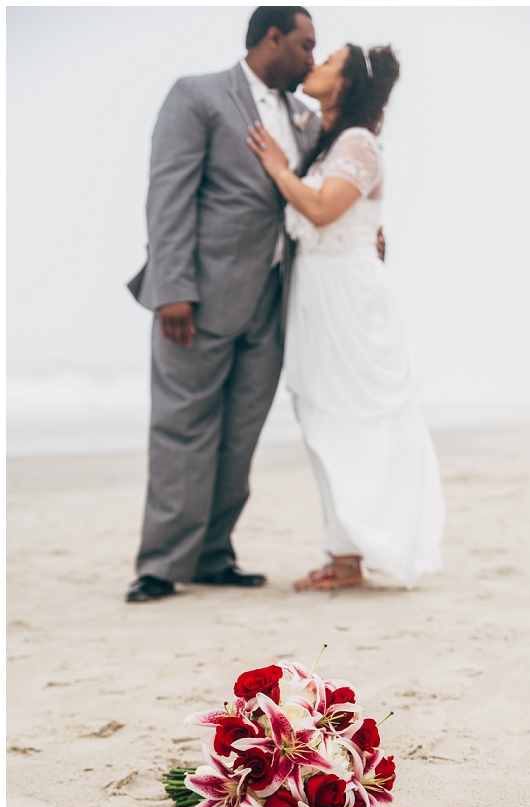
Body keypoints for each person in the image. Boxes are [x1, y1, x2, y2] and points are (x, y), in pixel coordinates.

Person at [125, 8, 321, 602]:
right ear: (272, 37)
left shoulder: (307, 121)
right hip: (199, 299)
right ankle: (161, 564)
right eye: (306, 44)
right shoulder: (198, 96)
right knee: (182, 429)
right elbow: (169, 195)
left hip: (273, 301)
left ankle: (213, 554)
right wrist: (172, 289)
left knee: (241, 435)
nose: (313, 56)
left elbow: (313, 197)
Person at [247, 44, 445, 590]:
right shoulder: (329, 139)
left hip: (348, 297)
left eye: (328, 61)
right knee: (321, 419)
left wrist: (277, 170)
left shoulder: (358, 142)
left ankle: (352, 554)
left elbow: (322, 208)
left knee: (349, 420)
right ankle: (344, 555)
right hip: (318, 291)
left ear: (345, 84)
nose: (314, 65)